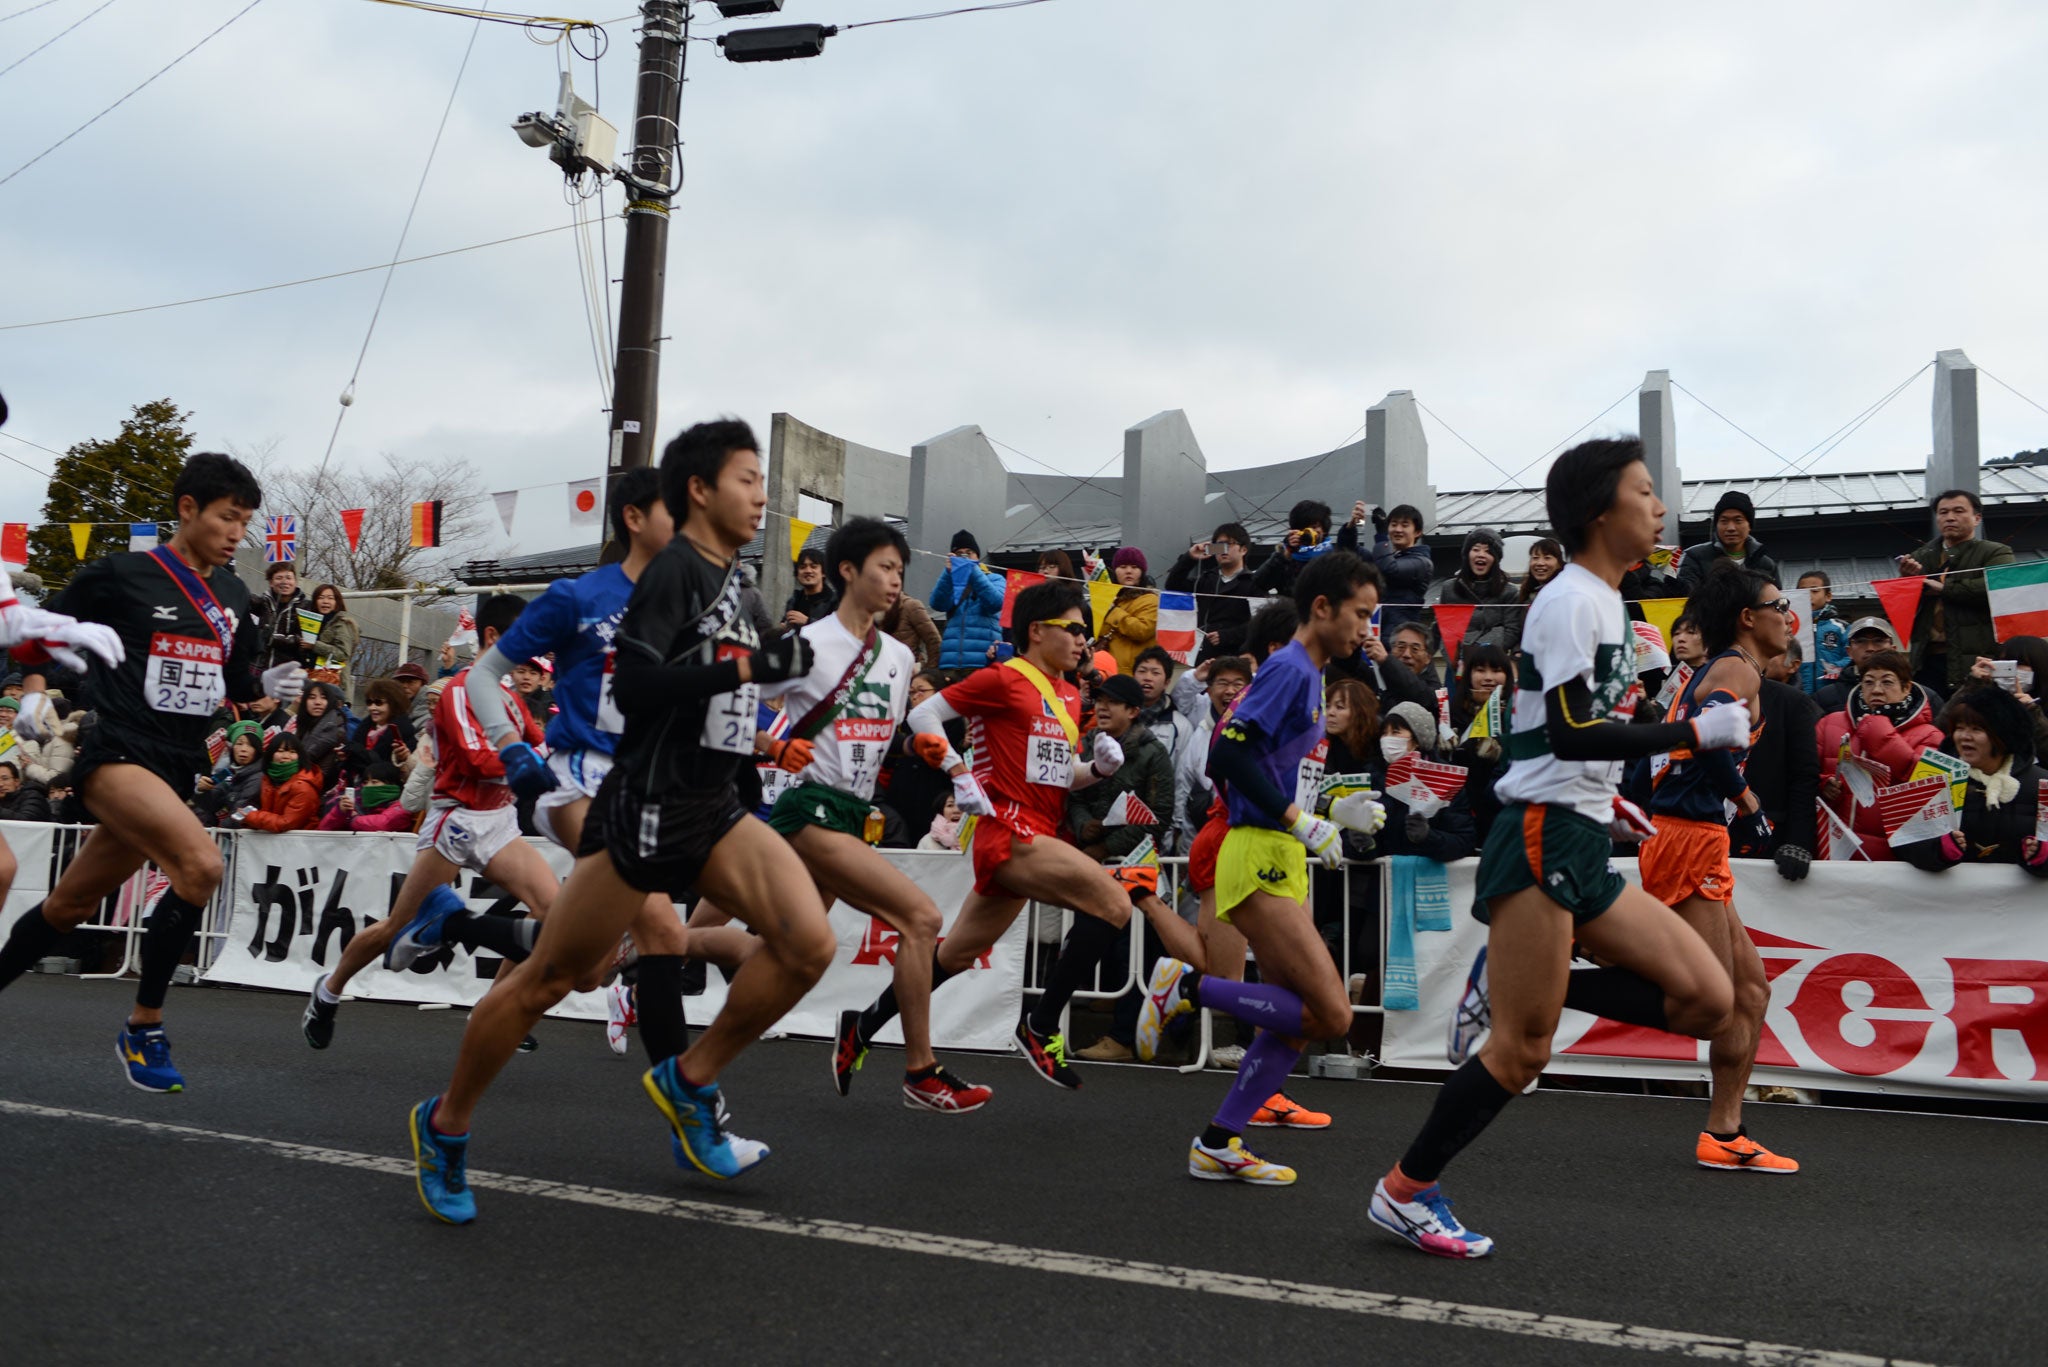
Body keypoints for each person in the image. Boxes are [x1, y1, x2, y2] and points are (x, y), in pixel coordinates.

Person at [406, 418, 836, 1223]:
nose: (763, 494)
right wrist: (518, 756)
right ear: (686, 496)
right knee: (568, 974)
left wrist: (770, 729)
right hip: (617, 795)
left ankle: (689, 1081)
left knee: (805, 944)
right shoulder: (630, 584)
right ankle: (445, 1123)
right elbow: (608, 685)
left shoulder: (737, 585)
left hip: (709, 801)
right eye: (747, 477)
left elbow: (731, 692)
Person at [1370, 437, 1751, 1259]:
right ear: (1597, 512)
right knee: (1520, 1052)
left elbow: (1549, 733)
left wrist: (1606, 795)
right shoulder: (1572, 598)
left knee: (1707, 998)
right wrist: (1694, 729)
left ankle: (1526, 984)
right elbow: (1576, 729)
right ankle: (1404, 1191)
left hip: (1575, 829)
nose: (1658, 507)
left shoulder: (1607, 603)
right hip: (1540, 835)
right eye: (1645, 492)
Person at [0, 452, 301, 1092]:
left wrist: (268, 684)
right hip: (117, 751)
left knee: (72, 903)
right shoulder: (122, 573)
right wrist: (31, 689)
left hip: (178, 763)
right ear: (187, 509)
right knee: (202, 867)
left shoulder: (230, 595)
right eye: (227, 517)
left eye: (245, 522)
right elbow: (41, 630)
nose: (237, 534)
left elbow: (239, 681)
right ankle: (144, 1025)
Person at [706, 517, 995, 1112]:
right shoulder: (804, 644)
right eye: (885, 567)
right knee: (919, 918)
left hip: (852, 814)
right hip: (811, 806)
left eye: (899, 570)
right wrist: (772, 746)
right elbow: (724, 708)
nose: (895, 580)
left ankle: (650, 950)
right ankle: (921, 1071)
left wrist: (938, 758)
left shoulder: (895, 655)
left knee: (785, 956)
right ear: (847, 571)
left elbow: (888, 737)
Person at [1134, 552, 1389, 1185]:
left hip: (1278, 850)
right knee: (1332, 1015)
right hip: (1258, 850)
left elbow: (1270, 768)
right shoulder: (1289, 669)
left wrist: (1330, 809)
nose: (1367, 629)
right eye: (1360, 614)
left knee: (1295, 1020)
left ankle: (1219, 1140)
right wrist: (1298, 820)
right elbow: (1226, 754)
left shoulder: (1310, 675)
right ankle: (1186, 988)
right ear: (1322, 609)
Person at [432, 468, 700, 1067]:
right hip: (576, 780)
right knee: (662, 928)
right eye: (673, 512)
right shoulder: (577, 598)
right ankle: (688, 1102)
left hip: (640, 787)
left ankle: (455, 927)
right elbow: (482, 673)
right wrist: (510, 746)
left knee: (578, 969)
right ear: (634, 519)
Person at [844, 578, 1143, 1090]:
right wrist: (958, 771)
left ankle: (861, 1025)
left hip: (1036, 832)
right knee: (1114, 905)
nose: (1081, 641)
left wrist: (1096, 771)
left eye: (1084, 633)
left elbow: (1059, 774)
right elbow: (923, 713)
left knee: (955, 956)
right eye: (1073, 629)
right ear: (1036, 630)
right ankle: (1041, 1025)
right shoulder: (1004, 678)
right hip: (1008, 830)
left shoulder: (1070, 696)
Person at [302, 593, 563, 1048]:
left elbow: (542, 742)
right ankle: (328, 991)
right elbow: (479, 761)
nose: (532, 647)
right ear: (492, 637)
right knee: (392, 929)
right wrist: (537, 763)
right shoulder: (459, 690)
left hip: (498, 819)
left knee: (553, 913)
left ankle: (493, 1009)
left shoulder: (510, 696)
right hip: (457, 820)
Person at [1636, 561, 1800, 1173]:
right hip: (1686, 837)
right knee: (1710, 1002)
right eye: (1779, 604)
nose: (1788, 615)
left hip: (1696, 837)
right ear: (1746, 618)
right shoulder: (1735, 667)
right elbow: (1708, 722)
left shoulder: (1735, 666)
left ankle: (1724, 1131)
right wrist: (1747, 800)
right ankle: (1559, 971)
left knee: (1751, 992)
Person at [1900, 685, 2048, 875]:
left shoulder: (2041, 783)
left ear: (2003, 736)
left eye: (1976, 729)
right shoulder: (1934, 775)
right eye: (1959, 728)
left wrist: (2040, 857)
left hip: (2015, 903)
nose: (1964, 737)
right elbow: (1904, 844)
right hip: (1949, 900)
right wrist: (1939, 851)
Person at [1816, 649, 1945, 861]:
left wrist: (1879, 732)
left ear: (1906, 688)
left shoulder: (1930, 736)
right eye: (1868, 682)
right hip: (1833, 856)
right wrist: (1824, 785)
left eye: (1887, 682)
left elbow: (1926, 792)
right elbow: (1805, 776)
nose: (1876, 690)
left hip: (1893, 862)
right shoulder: (1829, 724)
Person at [1901, 489, 2017, 695]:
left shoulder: (1996, 551)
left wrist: (1945, 588)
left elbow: (2002, 588)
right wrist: (1906, 580)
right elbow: (1904, 604)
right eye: (1943, 512)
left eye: (1958, 511)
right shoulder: (1920, 556)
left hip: (1979, 657)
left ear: (1977, 518)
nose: (1950, 517)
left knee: (1974, 719)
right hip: (1925, 658)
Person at [1067, 673, 1174, 862]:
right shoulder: (1086, 745)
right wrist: (1083, 825)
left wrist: (1106, 848)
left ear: (1132, 712)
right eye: (1099, 701)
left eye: (1113, 702)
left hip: (1134, 861)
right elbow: (1074, 796)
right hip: (1083, 855)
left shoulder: (1153, 752)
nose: (1102, 708)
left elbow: (1159, 815)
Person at [1371, 703, 1477, 860]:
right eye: (1384, 733)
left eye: (1395, 732)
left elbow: (1463, 841)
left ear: (1417, 740)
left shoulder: (1446, 779)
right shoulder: (1374, 777)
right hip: (1385, 880)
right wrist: (1363, 845)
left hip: (1433, 880)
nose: (1387, 739)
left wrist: (1428, 837)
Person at [1165, 522, 1259, 661]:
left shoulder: (1254, 582)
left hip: (1237, 656)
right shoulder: (1205, 579)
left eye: (1230, 544)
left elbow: (1259, 623)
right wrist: (1189, 557)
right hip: (1204, 656)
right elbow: (1173, 585)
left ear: (1243, 550)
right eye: (1219, 545)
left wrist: (1227, 635)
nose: (1224, 549)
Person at [1448, 644, 1511, 846]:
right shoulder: (1452, 715)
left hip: (1504, 820)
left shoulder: (1518, 715)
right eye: (1480, 670)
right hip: (1461, 818)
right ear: (1469, 674)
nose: (1488, 678)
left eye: (1496, 670)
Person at [1342, 501, 1433, 637]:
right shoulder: (1383, 558)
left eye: (1405, 525)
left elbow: (1389, 570)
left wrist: (1381, 535)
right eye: (1393, 524)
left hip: (1400, 639)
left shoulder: (1422, 562)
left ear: (1418, 532)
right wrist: (1351, 526)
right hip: (1373, 632)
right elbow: (1347, 554)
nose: (1398, 529)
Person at [928, 531, 1006, 673]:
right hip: (950, 662)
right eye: (959, 553)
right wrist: (948, 573)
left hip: (983, 662)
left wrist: (973, 571)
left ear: (977, 556)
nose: (964, 556)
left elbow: (995, 603)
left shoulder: (995, 579)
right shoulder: (952, 581)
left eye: (969, 552)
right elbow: (937, 604)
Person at [1676, 491, 1783, 593]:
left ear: (1749, 525)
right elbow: (1686, 595)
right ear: (1716, 525)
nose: (1731, 528)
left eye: (1738, 520)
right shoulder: (1695, 557)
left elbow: (1776, 602)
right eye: (1724, 521)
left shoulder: (1766, 565)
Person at [225, 730, 323, 833]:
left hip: (299, 844)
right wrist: (248, 820)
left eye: (292, 752)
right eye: (280, 751)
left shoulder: (303, 787)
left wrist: (253, 818)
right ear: (271, 754)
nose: (286, 756)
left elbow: (286, 823)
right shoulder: (268, 780)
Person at [1438, 529, 1519, 654]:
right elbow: (1445, 630)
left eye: (1488, 551)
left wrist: (1480, 652)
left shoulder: (1509, 592)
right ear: (1467, 554)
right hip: (1457, 662)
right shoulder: (1449, 589)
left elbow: (1512, 631)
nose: (1481, 555)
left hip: (1492, 662)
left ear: (1496, 559)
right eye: (1476, 549)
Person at [1813, 617, 1908, 715]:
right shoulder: (1825, 697)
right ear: (1849, 651)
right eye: (1861, 641)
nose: (1870, 648)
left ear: (1893, 649)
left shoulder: (1917, 693)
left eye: (1878, 641)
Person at [1252, 500, 1335, 598]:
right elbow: (1258, 583)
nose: (1310, 533)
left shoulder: (1333, 557)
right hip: (1292, 610)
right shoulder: (1287, 558)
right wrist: (1286, 554)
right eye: (1305, 529)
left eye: (1314, 527)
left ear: (1324, 530)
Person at [1097, 548, 1159, 675]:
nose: (1129, 571)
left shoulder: (1150, 599)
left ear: (1142, 572)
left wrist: (1113, 611)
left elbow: (1142, 630)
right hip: (1106, 673)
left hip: (1134, 675)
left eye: (1134, 567)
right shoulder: (1112, 599)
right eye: (1123, 566)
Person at [1130, 645, 1192, 771]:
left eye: (1155, 673)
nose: (1147, 677)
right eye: (1142, 671)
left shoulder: (1179, 725)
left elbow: (1182, 773)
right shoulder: (1119, 715)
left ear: (1167, 683)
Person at [193, 720, 264, 827]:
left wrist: (218, 832)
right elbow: (210, 805)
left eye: (250, 745)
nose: (243, 749)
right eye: (239, 744)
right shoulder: (227, 772)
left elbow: (240, 814)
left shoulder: (258, 777)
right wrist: (201, 790)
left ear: (258, 750)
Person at [320, 760, 414, 833]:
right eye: (365, 782)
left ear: (392, 784)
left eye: (374, 782)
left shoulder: (402, 806)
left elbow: (384, 824)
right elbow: (323, 829)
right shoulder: (357, 803)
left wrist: (354, 819)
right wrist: (340, 812)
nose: (368, 786)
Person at [1797, 571, 1850, 695]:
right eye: (1802, 592)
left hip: (1833, 692)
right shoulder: (1790, 627)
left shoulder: (1841, 627)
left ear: (1828, 596)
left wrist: (1836, 667)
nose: (1808, 596)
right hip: (1798, 693)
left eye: (1814, 591)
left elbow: (1852, 655)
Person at [251, 561, 309, 673]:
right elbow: (244, 598)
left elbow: (302, 640)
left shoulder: (306, 607)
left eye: (288, 578)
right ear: (271, 583)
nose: (284, 582)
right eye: (279, 578)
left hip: (288, 672)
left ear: (295, 582)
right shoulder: (263, 603)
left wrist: (273, 638)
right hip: (259, 668)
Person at [293, 681, 350, 784]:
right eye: (312, 697)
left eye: (323, 697)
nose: (317, 702)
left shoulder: (333, 726)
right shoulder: (307, 724)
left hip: (317, 786)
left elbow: (305, 757)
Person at [307, 584, 359, 684]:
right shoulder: (311, 622)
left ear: (337, 602)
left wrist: (315, 645)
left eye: (330, 598)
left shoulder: (343, 623)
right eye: (320, 598)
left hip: (333, 683)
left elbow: (343, 654)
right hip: (311, 679)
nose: (325, 601)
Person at [879, 591, 942, 673]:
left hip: (907, 672)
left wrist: (927, 673)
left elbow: (934, 640)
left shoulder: (910, 606)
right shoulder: (868, 610)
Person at [783, 546, 837, 628]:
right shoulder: (794, 600)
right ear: (797, 574)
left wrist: (808, 622)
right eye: (802, 567)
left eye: (813, 566)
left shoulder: (834, 601)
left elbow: (837, 632)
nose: (808, 571)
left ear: (823, 572)